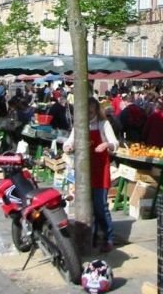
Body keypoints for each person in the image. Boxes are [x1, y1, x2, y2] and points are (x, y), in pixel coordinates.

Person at [63, 96, 118, 253]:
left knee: (101, 206)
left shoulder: (104, 124)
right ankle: (92, 237)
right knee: (87, 206)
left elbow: (116, 143)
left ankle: (108, 238)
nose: (89, 113)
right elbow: (69, 142)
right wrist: (67, 147)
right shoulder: (79, 126)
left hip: (100, 169)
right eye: (86, 111)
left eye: (92, 111)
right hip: (83, 171)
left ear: (96, 110)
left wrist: (107, 144)